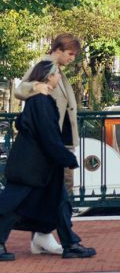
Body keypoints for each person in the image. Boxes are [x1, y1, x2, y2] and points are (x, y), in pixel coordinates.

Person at [0, 61, 96, 261]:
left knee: (60, 203)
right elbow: (49, 134)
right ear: (49, 77)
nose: (59, 77)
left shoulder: (38, 100)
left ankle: (70, 244)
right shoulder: (41, 101)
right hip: (31, 166)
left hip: (39, 165)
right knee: (10, 206)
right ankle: (69, 244)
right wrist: (66, 157)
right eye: (57, 75)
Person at [14, 33, 83, 255]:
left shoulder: (59, 71)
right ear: (59, 50)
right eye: (70, 53)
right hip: (53, 143)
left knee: (58, 190)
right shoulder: (45, 66)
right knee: (60, 190)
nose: (72, 58)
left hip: (61, 141)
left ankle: (43, 236)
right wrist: (36, 87)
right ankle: (47, 236)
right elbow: (20, 89)